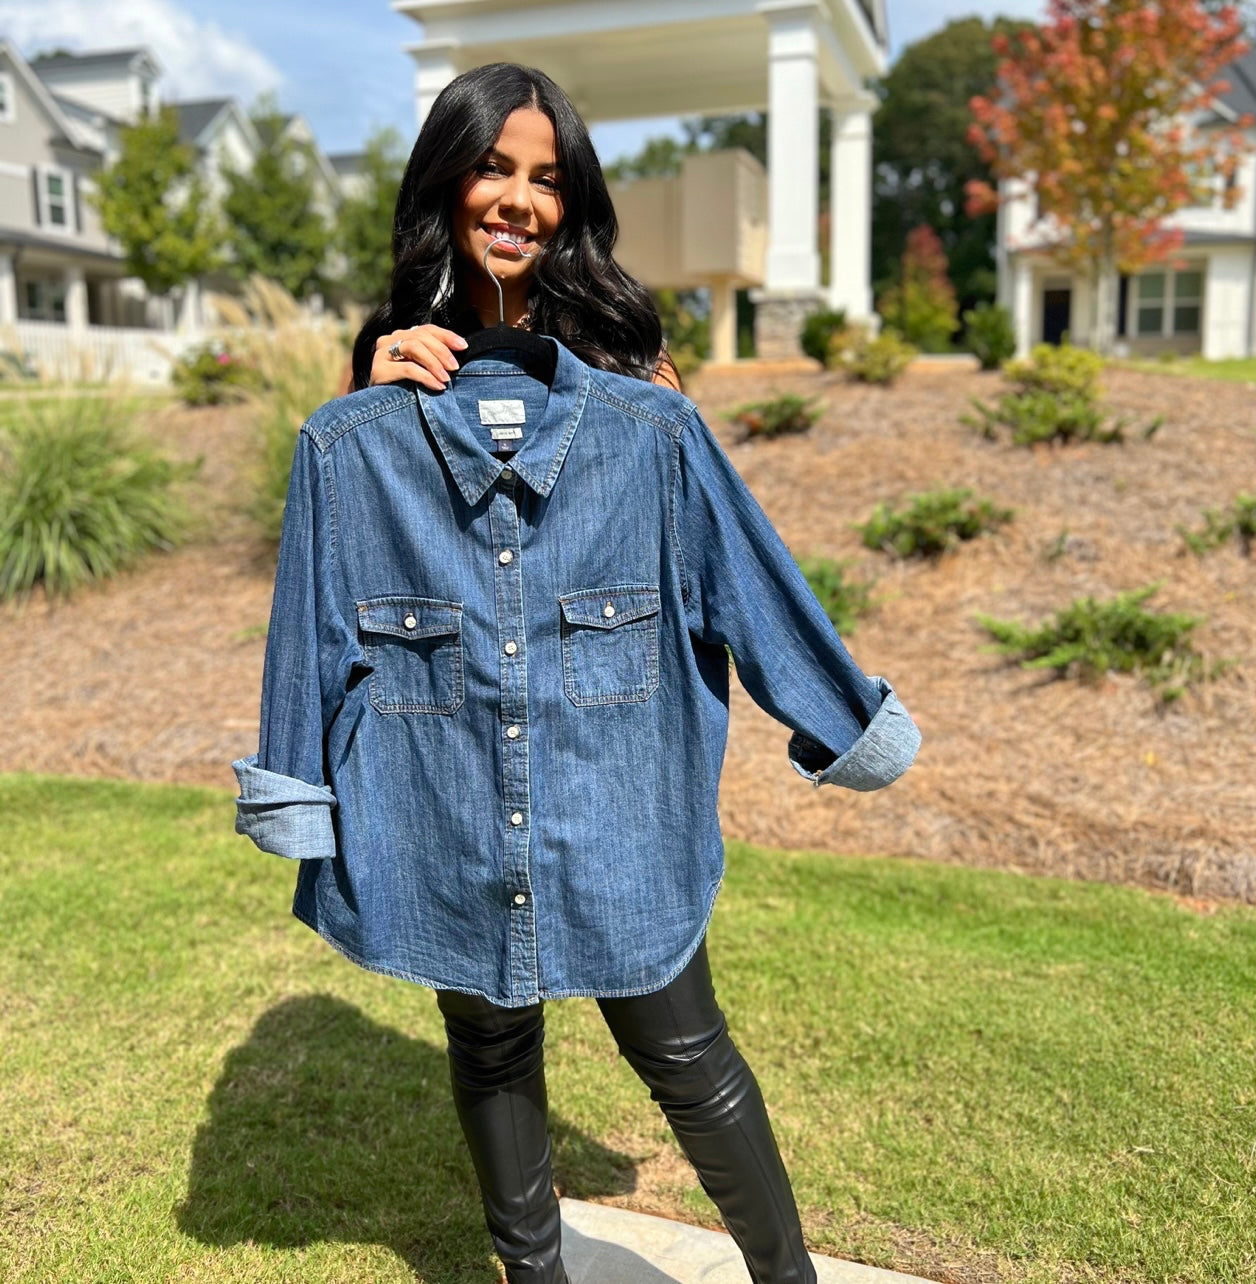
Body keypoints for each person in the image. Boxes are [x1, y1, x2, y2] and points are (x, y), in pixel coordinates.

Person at [233, 62, 919, 1284]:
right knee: (489, 1052)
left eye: (546, 178)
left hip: (616, 812)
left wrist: (840, 721)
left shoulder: (637, 391)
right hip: (445, 805)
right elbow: (331, 597)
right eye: (494, 167)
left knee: (686, 1054)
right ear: (445, 180)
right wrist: (367, 399)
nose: (518, 199)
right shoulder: (370, 406)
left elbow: (733, 565)